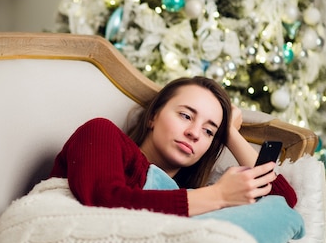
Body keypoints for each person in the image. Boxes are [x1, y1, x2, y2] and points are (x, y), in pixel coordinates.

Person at [50, 76, 297, 219]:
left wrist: (229, 134)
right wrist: (218, 196)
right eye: (186, 116)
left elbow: (283, 203)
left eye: (209, 131)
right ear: (153, 116)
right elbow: (105, 201)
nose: (194, 133)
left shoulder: (188, 194)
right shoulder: (102, 133)